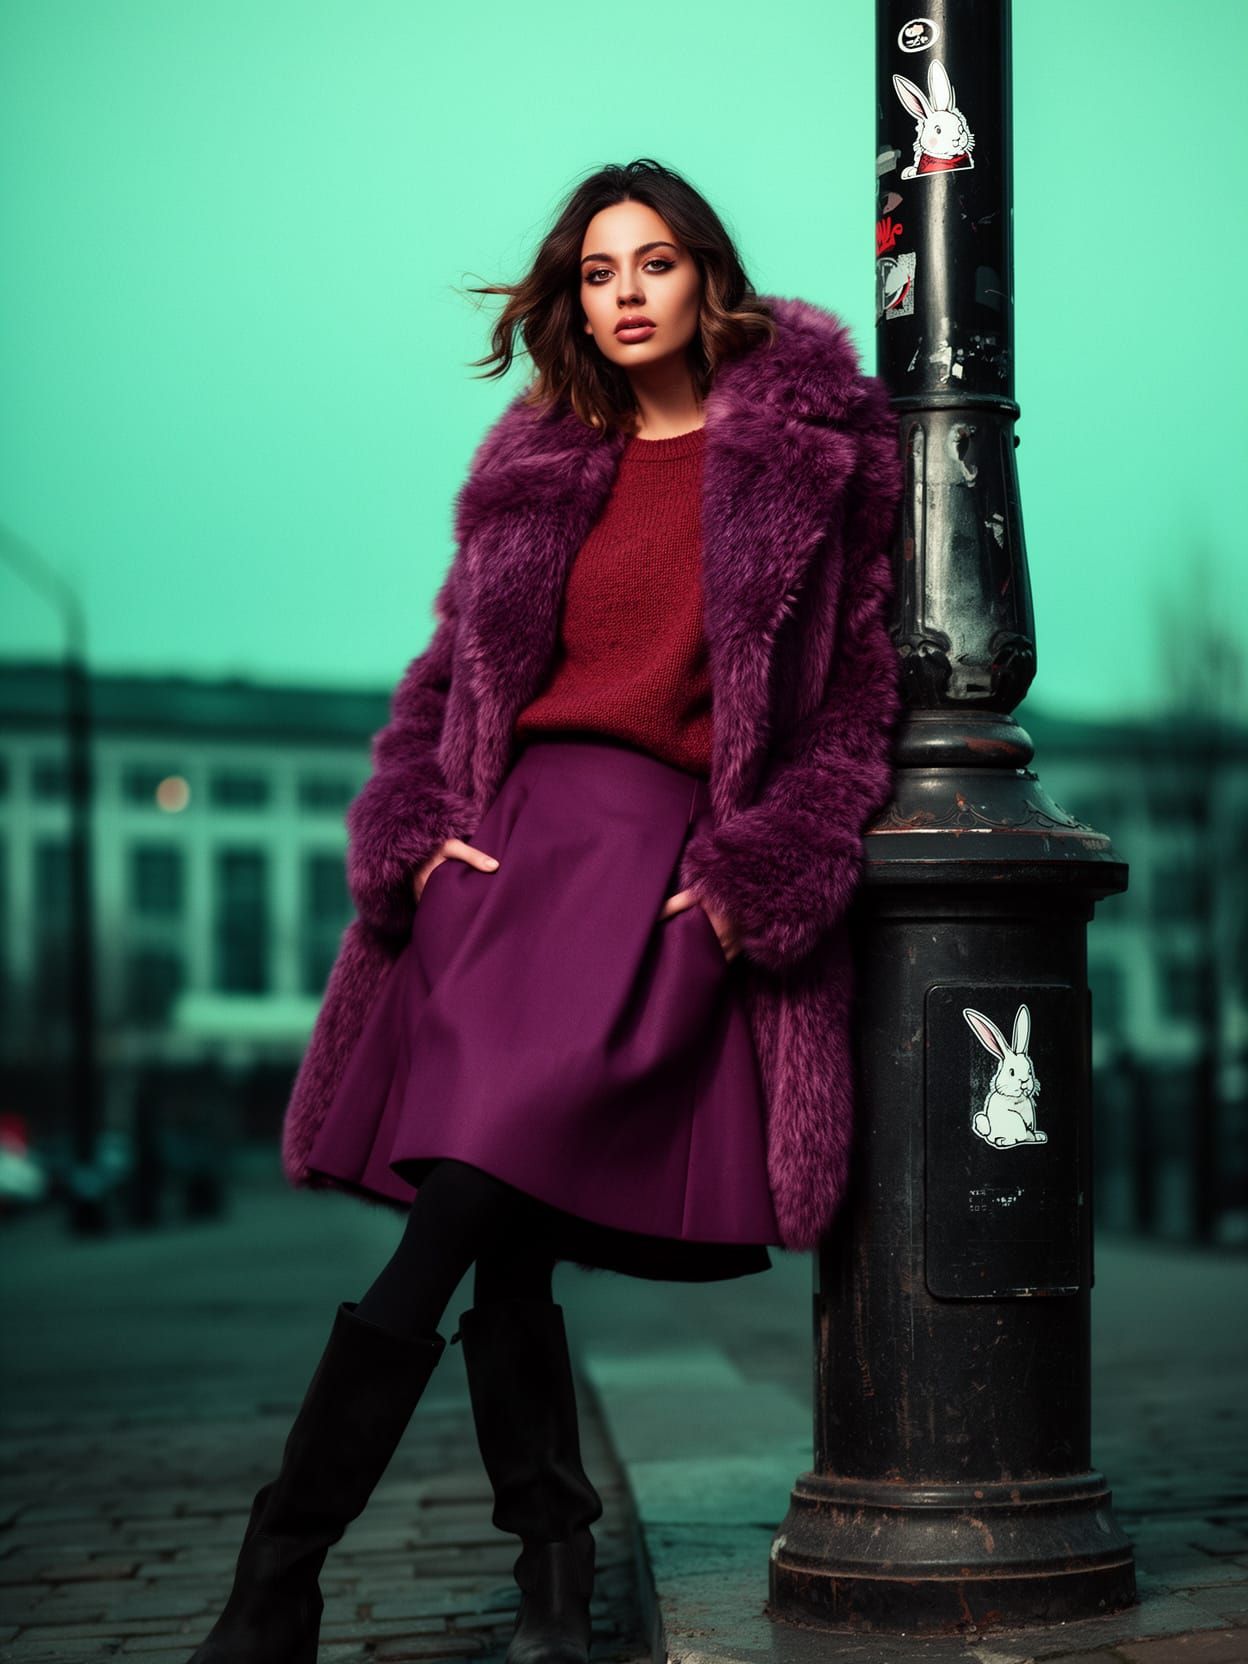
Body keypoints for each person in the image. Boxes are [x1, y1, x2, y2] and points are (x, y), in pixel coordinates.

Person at [186, 156, 906, 1664]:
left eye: (652, 263)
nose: (625, 294)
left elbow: (852, 713)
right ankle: (550, 1580)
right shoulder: (539, 457)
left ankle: (282, 1573)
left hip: (656, 876)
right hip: (501, 866)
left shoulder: (815, 462)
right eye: (597, 271)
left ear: (711, 276)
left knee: (467, 1208)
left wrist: (749, 882)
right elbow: (445, 677)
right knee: (492, 1227)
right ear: (572, 296)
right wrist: (415, 824)